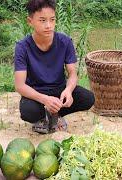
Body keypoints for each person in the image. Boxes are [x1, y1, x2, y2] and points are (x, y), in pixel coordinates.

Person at [14, 0, 94, 134]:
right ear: (30, 21)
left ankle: (56, 115)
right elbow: (20, 86)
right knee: (28, 111)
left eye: (52, 20)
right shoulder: (22, 47)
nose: (48, 25)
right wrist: (45, 99)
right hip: (36, 93)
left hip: (59, 90)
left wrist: (68, 90)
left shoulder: (65, 42)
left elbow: (73, 74)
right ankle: (42, 118)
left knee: (88, 98)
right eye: (42, 20)